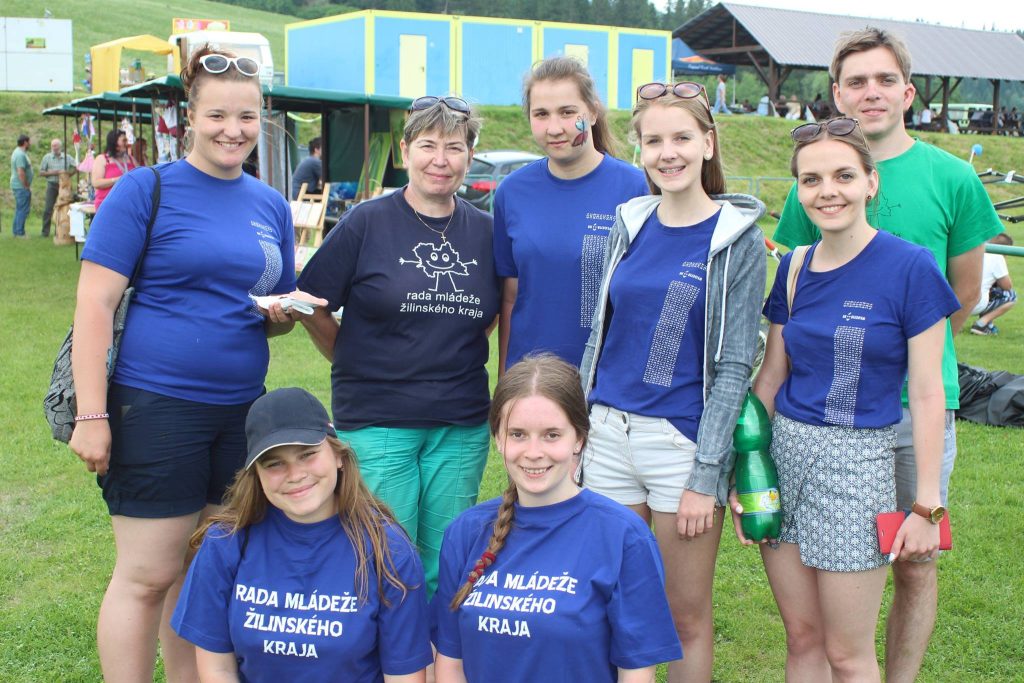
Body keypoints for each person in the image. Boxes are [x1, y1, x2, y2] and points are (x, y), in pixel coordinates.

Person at [771, 28, 1003, 682]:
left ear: (907, 90)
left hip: (916, 409)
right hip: (827, 418)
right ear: (837, 94)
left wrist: (895, 354)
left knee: (914, 558)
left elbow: (959, 291)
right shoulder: (810, 178)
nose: (870, 92)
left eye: (883, 80)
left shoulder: (952, 177)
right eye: (855, 82)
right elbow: (800, 287)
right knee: (831, 571)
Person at [69, 45, 301, 683]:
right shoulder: (148, 189)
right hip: (157, 406)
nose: (234, 130)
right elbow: (94, 304)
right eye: (219, 115)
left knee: (201, 575)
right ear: (189, 116)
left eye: (248, 118)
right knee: (147, 576)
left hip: (241, 414)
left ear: (264, 120)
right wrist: (92, 415)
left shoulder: (270, 205)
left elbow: (260, 306)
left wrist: (277, 315)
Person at [737, 116, 958, 681]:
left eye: (841, 175)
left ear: (870, 182)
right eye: (810, 180)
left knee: (848, 655)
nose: (826, 191)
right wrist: (744, 474)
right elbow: (770, 378)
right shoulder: (792, 268)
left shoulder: (911, 266)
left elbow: (929, 393)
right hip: (784, 459)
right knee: (804, 639)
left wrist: (927, 507)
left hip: (858, 468)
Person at [579, 81, 766, 683]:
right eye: (653, 140)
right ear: (639, 151)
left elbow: (736, 363)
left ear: (708, 143)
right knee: (606, 604)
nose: (669, 152)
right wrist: (582, 434)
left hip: (679, 447)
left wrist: (706, 474)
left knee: (683, 615)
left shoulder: (736, 240)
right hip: (607, 436)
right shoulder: (629, 223)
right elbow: (599, 335)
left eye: (682, 137)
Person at [295, 96, 500, 598]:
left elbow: (494, 310)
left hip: (460, 423)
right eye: (428, 145)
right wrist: (347, 355)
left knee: (448, 559)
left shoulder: (487, 232)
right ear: (405, 150)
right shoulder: (366, 222)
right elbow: (311, 301)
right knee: (386, 555)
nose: (441, 159)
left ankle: (437, 664)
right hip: (378, 420)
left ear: (469, 157)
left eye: (454, 147)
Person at [432, 355, 682, 683]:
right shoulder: (466, 533)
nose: (534, 452)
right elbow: (450, 662)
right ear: (497, 438)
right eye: (518, 434)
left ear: (578, 438)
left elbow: (635, 673)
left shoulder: (624, 537)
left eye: (551, 435)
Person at [172, 387, 432, 682]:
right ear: (255, 473)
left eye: (307, 454)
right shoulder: (226, 542)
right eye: (274, 463)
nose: (295, 475)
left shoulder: (388, 549)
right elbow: (217, 669)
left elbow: (404, 676)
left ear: (338, 455)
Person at [494, 56, 648, 372]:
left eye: (567, 112)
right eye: (541, 114)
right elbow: (510, 299)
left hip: (608, 387)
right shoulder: (511, 192)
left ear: (592, 111)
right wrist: (508, 383)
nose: (555, 128)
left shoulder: (637, 190)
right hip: (533, 383)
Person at [969, 233, 1017, 336]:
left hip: (953, 303)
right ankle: (981, 324)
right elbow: (1007, 286)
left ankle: (988, 325)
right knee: (1011, 295)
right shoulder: (997, 257)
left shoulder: (972, 249)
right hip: (975, 304)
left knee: (989, 288)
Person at [91, 129, 136, 213]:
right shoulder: (102, 159)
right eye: (124, 141)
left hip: (129, 206)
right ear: (114, 143)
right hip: (107, 206)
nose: (127, 144)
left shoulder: (131, 159)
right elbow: (96, 183)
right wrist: (117, 180)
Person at [39, 138, 77, 238]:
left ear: (60, 146)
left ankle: (66, 231)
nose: (54, 148)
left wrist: (68, 175)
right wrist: (55, 172)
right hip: (52, 185)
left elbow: (77, 167)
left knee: (66, 207)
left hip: (64, 186)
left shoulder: (67, 157)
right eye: (53, 146)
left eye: (56, 146)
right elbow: (41, 172)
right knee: (48, 208)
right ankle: (45, 232)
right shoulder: (47, 157)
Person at [9, 134, 32, 238]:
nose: (30, 144)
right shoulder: (20, 155)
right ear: (25, 142)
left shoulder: (19, 152)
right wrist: (26, 185)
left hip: (19, 186)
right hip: (21, 186)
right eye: (29, 142)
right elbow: (21, 172)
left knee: (19, 209)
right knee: (23, 209)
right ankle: (20, 233)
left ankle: (16, 231)